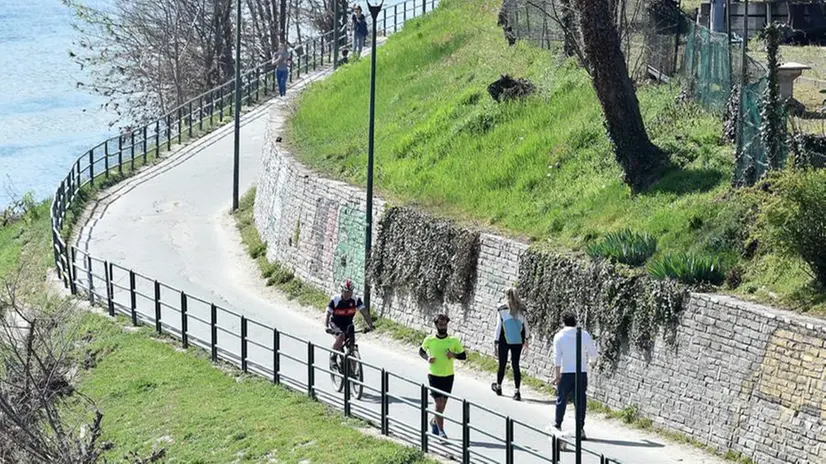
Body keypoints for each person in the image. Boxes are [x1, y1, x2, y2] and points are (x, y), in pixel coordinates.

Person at [419, 314, 467, 439]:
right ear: (436, 325)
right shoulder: (430, 340)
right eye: (440, 325)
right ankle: (441, 431)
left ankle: (434, 422)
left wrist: (453, 355)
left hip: (448, 376)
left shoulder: (453, 340)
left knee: (443, 404)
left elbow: (463, 356)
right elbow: (421, 351)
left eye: (445, 324)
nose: (443, 327)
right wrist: (427, 358)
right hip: (434, 375)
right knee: (439, 403)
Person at [552, 311, 598, 439]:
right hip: (581, 372)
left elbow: (556, 357)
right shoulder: (584, 334)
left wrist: (557, 375)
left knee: (561, 399)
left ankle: (558, 424)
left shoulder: (559, 336)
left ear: (563, 322)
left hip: (565, 372)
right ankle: (580, 429)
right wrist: (591, 362)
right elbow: (593, 353)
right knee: (580, 401)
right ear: (575, 322)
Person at [491, 287, 530, 401]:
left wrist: (495, 342)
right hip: (517, 341)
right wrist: (526, 339)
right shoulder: (522, 310)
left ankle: (498, 386)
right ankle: (517, 391)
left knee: (502, 364)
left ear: (506, 296)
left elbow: (498, 327)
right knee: (515, 365)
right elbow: (526, 327)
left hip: (504, 339)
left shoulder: (502, 309)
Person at [325, 278, 374, 368]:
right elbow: (328, 313)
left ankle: (353, 371)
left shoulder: (355, 300)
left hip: (348, 324)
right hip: (335, 323)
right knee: (341, 336)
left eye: (350, 292)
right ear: (342, 291)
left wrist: (370, 325)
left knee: (352, 345)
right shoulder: (335, 300)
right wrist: (326, 326)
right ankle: (333, 357)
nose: (348, 294)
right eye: (346, 292)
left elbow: (364, 312)